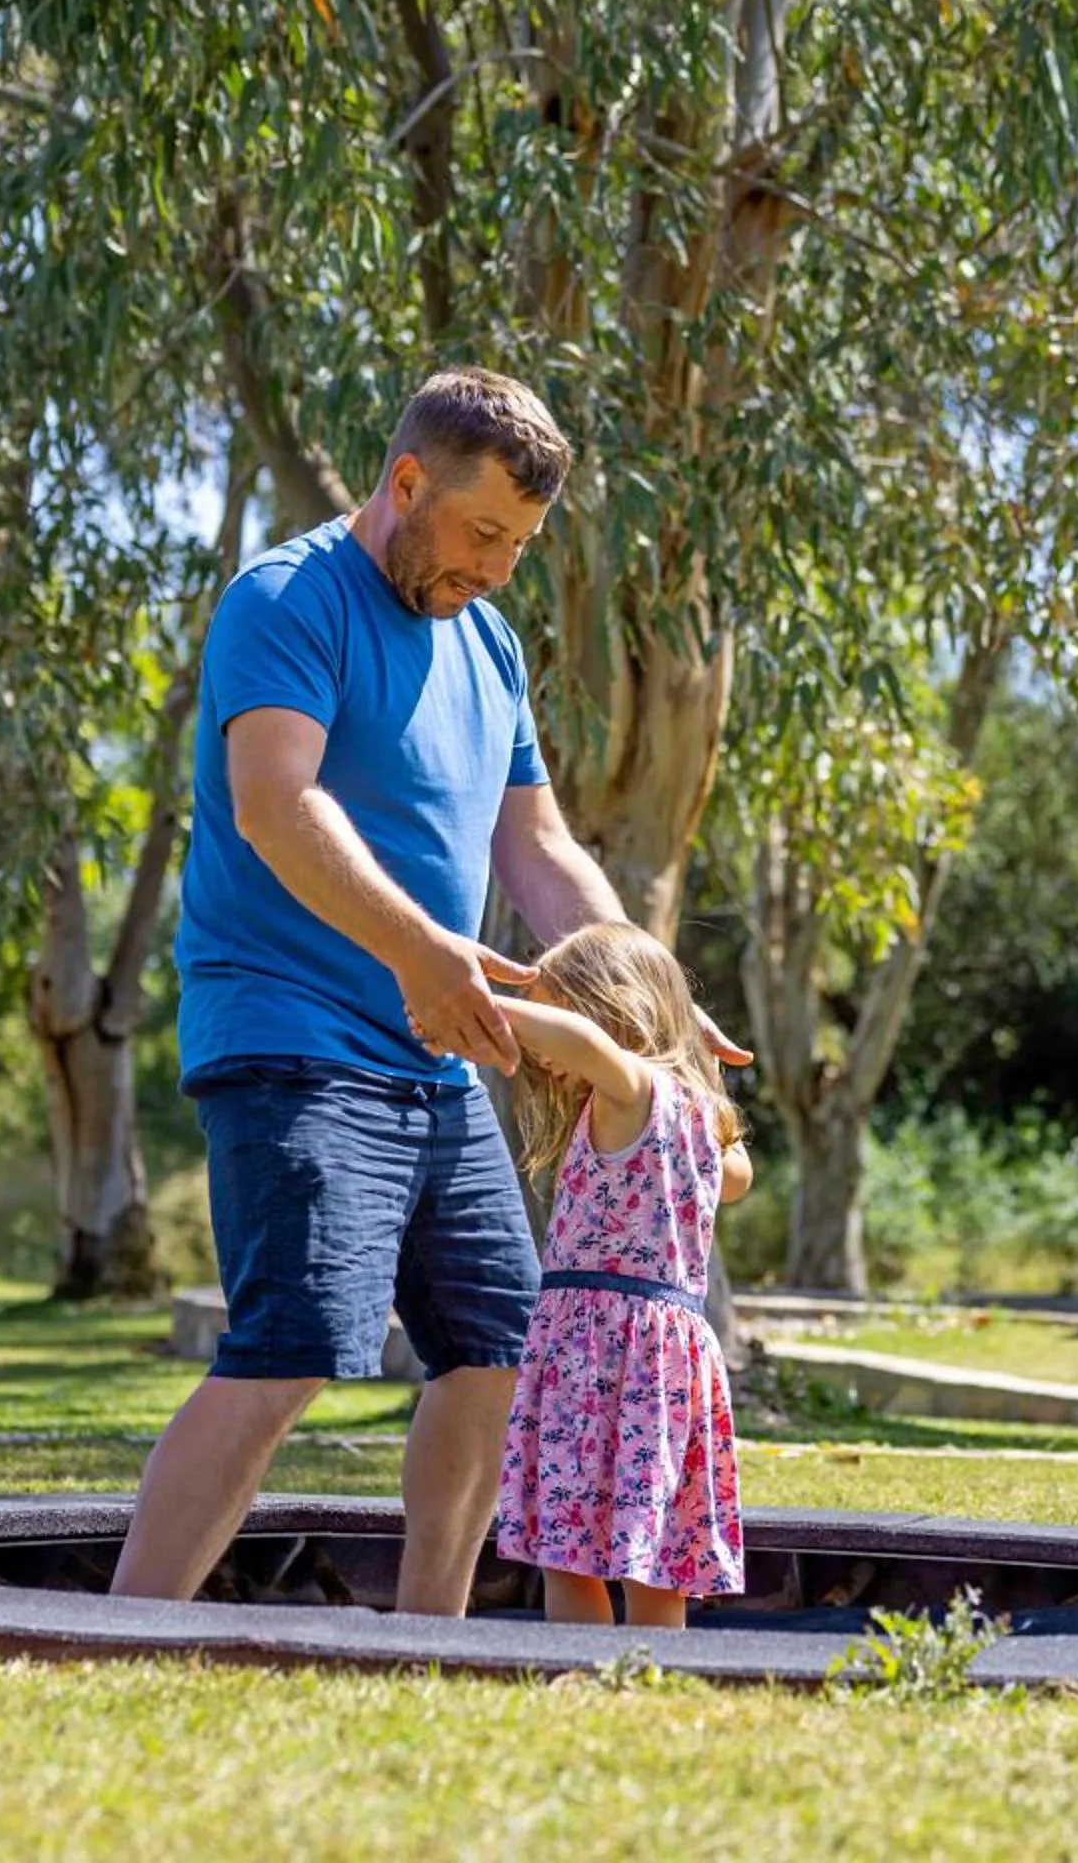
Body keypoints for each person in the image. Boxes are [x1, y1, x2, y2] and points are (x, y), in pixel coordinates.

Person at [110, 367, 744, 1612]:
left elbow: (539, 850)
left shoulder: (488, 643)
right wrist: (418, 950)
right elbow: (277, 804)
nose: (501, 568)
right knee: (289, 1352)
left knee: (502, 1352)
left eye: (521, 542)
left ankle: (431, 1644)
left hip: (436, 1058)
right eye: (485, 533)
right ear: (408, 484)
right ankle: (113, 1632)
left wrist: (655, 1002)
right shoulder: (286, 602)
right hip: (292, 1035)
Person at [490, 922, 754, 1629]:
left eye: (553, 1018)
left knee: (568, 1552)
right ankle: (649, 1678)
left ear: (612, 1012)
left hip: (596, 1353)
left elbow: (588, 1048)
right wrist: (700, 1063)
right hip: (665, 1362)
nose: (542, 1061)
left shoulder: (631, 1092)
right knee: (656, 1548)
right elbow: (736, 1178)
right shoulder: (704, 1125)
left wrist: (472, 997)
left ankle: (578, 1673)